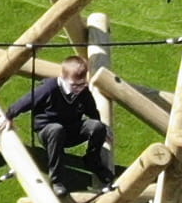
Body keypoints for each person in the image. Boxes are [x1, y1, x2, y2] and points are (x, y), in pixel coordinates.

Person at [21, 53, 116, 194]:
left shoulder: (82, 90)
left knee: (97, 126)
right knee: (56, 129)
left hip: (70, 130)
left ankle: (92, 160)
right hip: (49, 133)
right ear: (63, 78)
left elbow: (91, 110)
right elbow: (25, 102)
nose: (78, 88)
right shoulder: (49, 88)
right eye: (74, 85)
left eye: (81, 84)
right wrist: (8, 116)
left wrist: (102, 128)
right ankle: (57, 180)